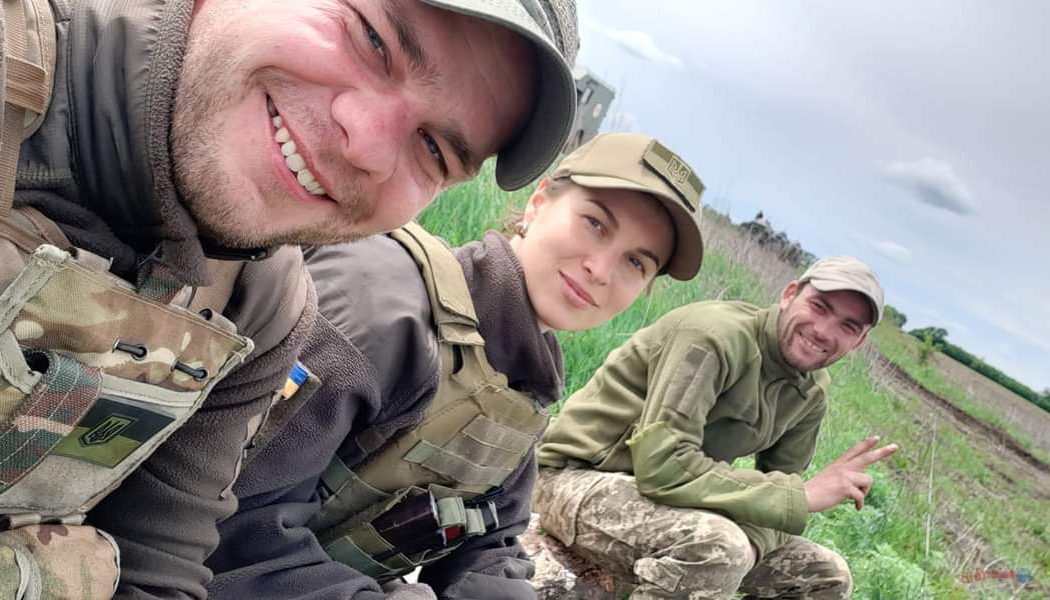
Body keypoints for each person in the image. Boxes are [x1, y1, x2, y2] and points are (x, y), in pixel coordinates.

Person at [0, 0, 578, 597]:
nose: (367, 145)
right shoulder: (374, 312)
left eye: (434, 148)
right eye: (372, 39)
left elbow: (155, 561)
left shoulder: (262, 302)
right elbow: (249, 543)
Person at [204, 133, 707, 600]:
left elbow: (491, 543)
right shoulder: (382, 307)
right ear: (539, 202)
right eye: (595, 223)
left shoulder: (525, 383)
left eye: (636, 262)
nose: (600, 269)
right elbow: (232, 522)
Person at [536, 256, 898, 599]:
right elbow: (662, 466)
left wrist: (758, 538)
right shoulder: (714, 337)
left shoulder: (811, 392)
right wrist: (797, 498)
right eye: (819, 307)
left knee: (826, 576)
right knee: (719, 548)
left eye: (848, 326)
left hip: (671, 502)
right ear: (790, 295)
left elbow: (778, 512)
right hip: (575, 478)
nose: (823, 331)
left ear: (859, 341)